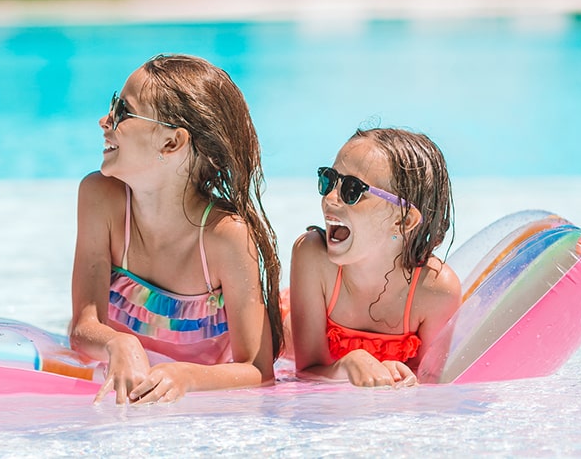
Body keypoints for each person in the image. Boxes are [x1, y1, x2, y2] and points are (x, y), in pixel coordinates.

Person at [69, 54, 283, 404]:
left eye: (123, 111)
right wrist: (117, 342)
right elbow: (82, 328)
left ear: (171, 142)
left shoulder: (224, 237)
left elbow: (259, 370)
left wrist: (186, 375)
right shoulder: (100, 199)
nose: (104, 120)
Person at [287, 128, 461, 387]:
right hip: (290, 319)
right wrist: (347, 364)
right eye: (329, 179)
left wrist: (401, 374)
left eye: (352, 189)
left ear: (402, 219)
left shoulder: (435, 290)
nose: (330, 199)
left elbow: (430, 382)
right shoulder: (313, 258)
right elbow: (306, 371)